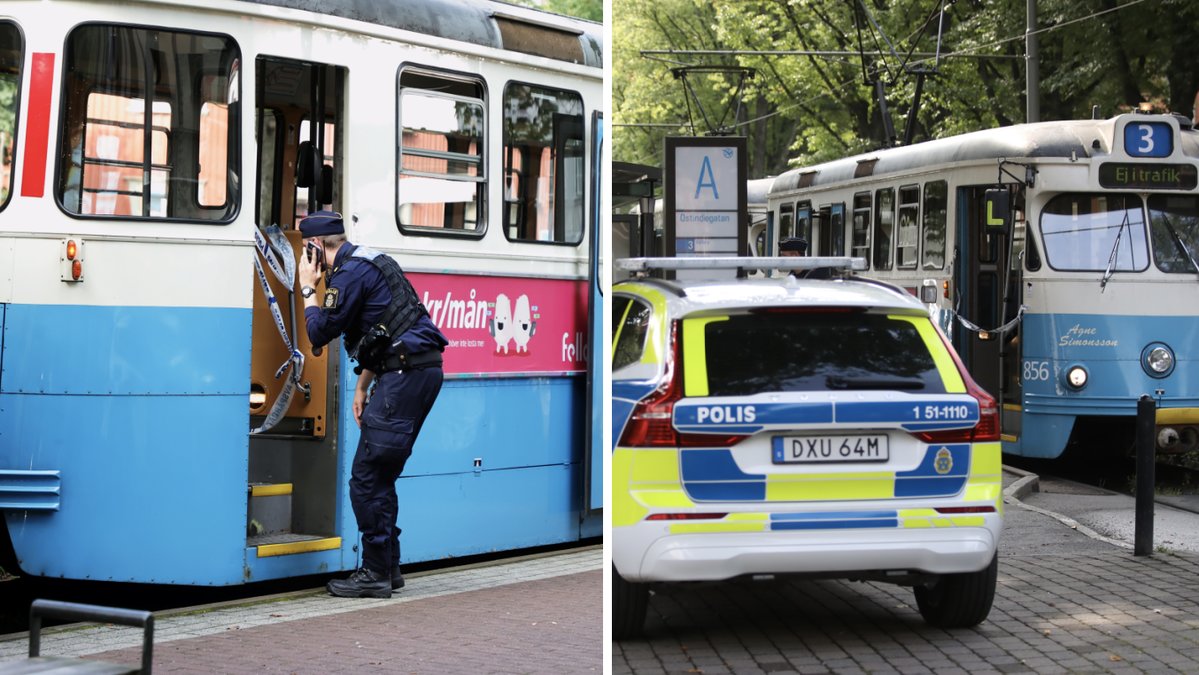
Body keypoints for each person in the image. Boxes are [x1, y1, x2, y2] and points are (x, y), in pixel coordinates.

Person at [297, 210, 447, 598]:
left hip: (404, 377)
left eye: (305, 250)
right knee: (380, 474)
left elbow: (318, 332)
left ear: (315, 248)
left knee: (365, 478)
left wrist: (307, 288)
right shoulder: (374, 259)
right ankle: (389, 568)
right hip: (411, 372)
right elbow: (387, 327)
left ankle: (375, 572)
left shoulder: (345, 276)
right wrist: (363, 384)